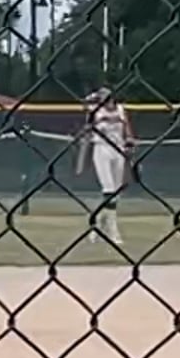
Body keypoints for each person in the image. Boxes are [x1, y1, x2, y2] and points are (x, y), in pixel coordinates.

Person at [74, 87, 133, 244]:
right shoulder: (95, 111)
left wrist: (129, 143)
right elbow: (87, 130)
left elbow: (127, 130)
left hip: (118, 149)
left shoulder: (120, 110)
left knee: (115, 193)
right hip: (102, 149)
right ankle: (113, 232)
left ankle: (97, 225)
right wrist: (81, 160)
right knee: (108, 190)